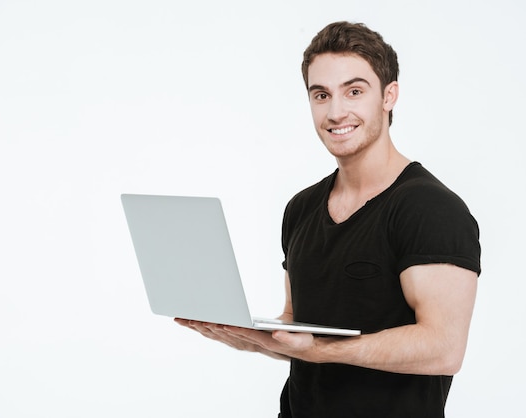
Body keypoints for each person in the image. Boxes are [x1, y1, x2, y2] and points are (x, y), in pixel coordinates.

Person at [176, 21, 481, 417]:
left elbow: (444, 349)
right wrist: (252, 337)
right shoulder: (301, 208)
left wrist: (320, 352)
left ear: (389, 96)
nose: (336, 112)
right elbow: (295, 324)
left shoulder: (430, 209)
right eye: (321, 95)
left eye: (354, 91)